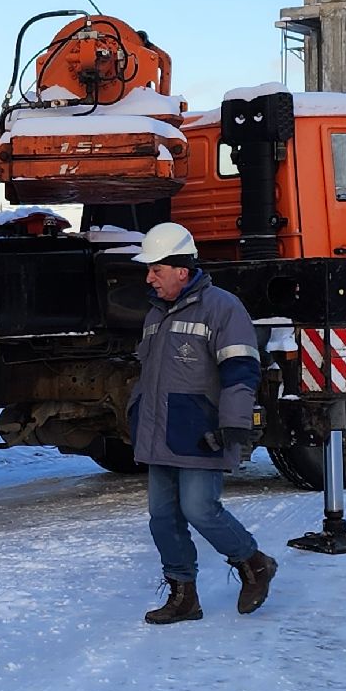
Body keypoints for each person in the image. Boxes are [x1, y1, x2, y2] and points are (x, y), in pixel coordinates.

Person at [127, 223, 278, 623]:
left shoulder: (222, 308)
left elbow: (242, 370)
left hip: (200, 433)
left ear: (180, 269)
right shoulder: (155, 315)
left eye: (155, 269)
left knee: (200, 509)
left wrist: (234, 423)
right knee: (163, 517)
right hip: (162, 435)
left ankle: (255, 564)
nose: (149, 278)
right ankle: (184, 597)